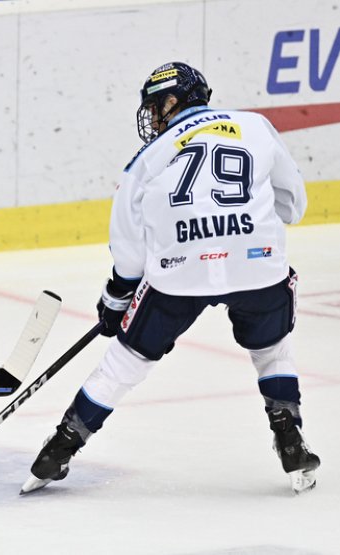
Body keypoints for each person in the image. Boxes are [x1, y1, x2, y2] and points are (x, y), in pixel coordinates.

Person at [23, 62, 319, 495]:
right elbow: (293, 206)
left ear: (174, 100)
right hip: (256, 262)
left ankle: (60, 448)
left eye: (155, 106)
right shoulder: (255, 126)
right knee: (272, 351)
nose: (153, 116)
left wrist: (118, 298)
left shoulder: (147, 158)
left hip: (182, 270)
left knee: (125, 361)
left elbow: (128, 243)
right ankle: (289, 435)